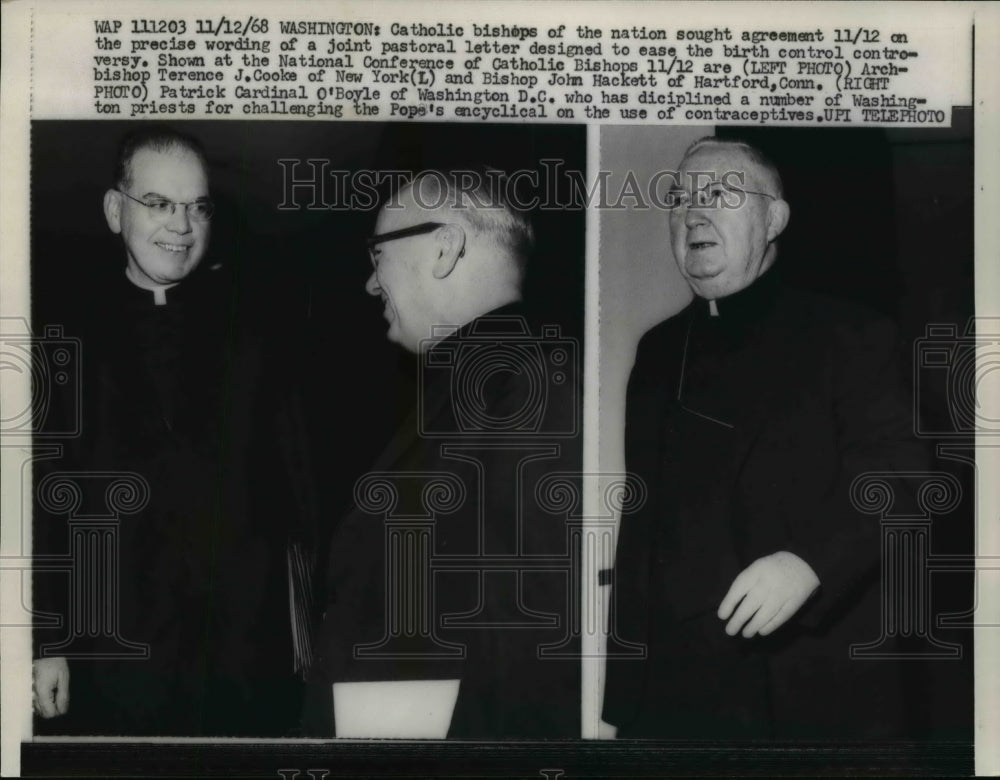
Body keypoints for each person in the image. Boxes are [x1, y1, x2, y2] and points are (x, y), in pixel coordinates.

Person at [603, 137, 926, 739]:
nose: (693, 213)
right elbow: (645, 532)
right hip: (677, 703)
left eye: (720, 194)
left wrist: (810, 563)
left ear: (773, 218)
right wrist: (628, 706)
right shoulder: (657, 352)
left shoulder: (850, 336)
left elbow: (902, 479)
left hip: (803, 695)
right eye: (680, 198)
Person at [32, 126, 318, 737]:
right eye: (159, 204)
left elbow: (298, 491)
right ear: (116, 211)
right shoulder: (63, 340)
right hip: (117, 648)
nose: (181, 226)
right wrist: (47, 641)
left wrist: (308, 632)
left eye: (197, 206)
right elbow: (44, 499)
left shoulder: (257, 329)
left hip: (244, 650)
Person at [304, 169, 581, 738]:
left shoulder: (526, 391)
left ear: (445, 246)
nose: (370, 284)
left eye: (377, 254)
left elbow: (528, 647)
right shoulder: (472, 393)